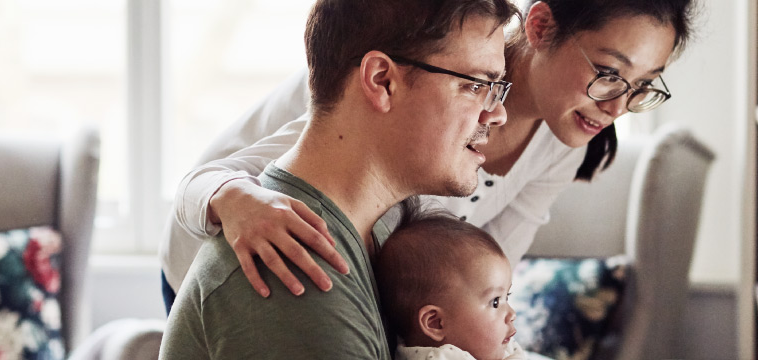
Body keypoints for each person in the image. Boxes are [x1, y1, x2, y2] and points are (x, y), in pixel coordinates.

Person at [162, 0, 697, 306]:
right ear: (540, 25)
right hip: (208, 258)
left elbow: (486, 271)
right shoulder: (416, 82)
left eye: (643, 85)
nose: (619, 105)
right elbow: (204, 182)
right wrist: (235, 202)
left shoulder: (560, 143)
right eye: (608, 74)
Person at [158, 0, 519, 358]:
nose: (498, 113)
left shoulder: (389, 222)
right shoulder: (293, 274)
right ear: (382, 80)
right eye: (475, 86)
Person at [375, 204, 526, 360]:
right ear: (436, 323)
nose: (512, 314)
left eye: (506, 297)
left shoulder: (496, 347)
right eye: (495, 302)